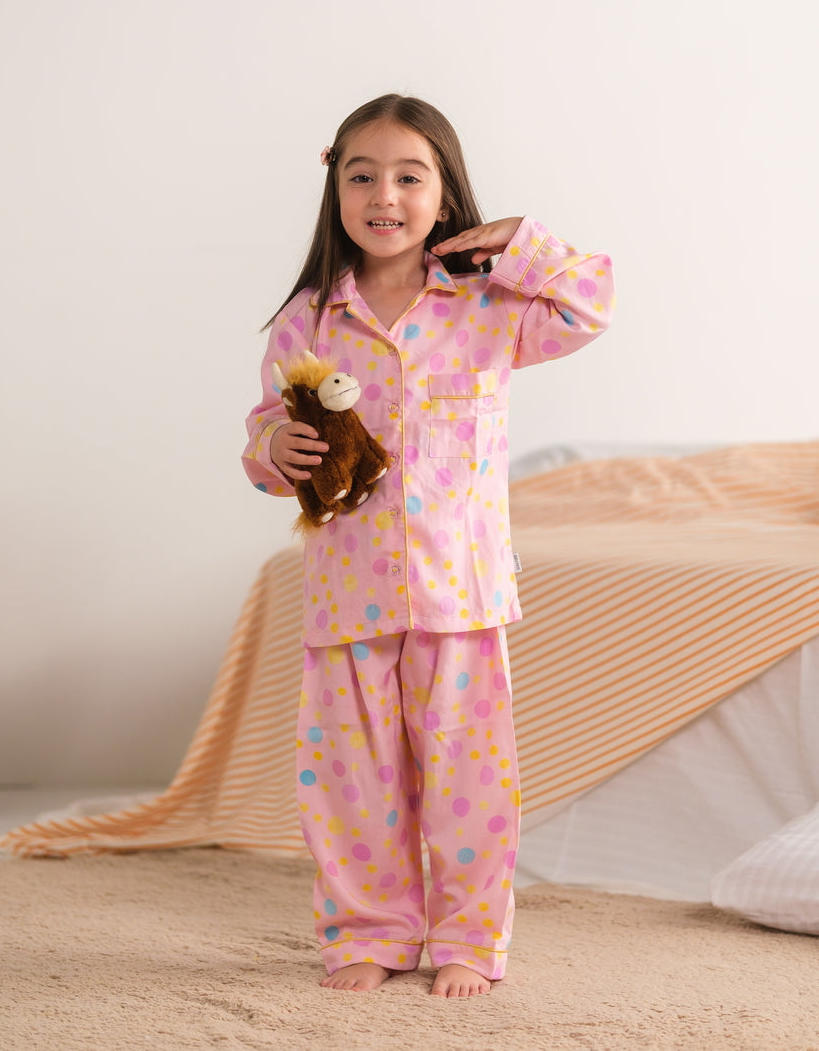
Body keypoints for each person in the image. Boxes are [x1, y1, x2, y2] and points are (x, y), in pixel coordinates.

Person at [242, 94, 614, 997]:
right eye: (362, 175)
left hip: (461, 592)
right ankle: (370, 931)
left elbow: (590, 304)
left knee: (468, 784)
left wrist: (522, 239)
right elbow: (264, 438)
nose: (384, 195)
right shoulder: (308, 319)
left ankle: (468, 937)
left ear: (444, 195)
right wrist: (272, 450)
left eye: (409, 177)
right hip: (347, 595)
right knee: (352, 784)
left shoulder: (490, 303)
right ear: (335, 188)